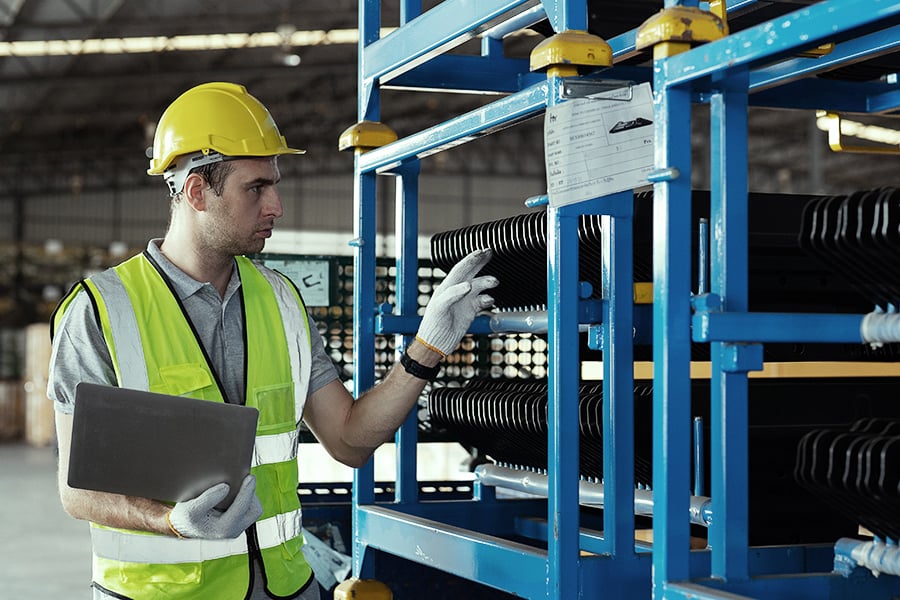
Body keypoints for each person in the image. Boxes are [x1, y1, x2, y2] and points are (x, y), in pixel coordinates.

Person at [47, 81, 497, 600]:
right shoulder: (101, 311)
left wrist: (428, 345)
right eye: (256, 187)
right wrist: (172, 522)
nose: (277, 205)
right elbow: (78, 490)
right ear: (197, 192)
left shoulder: (280, 301)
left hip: (286, 588)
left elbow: (349, 441)